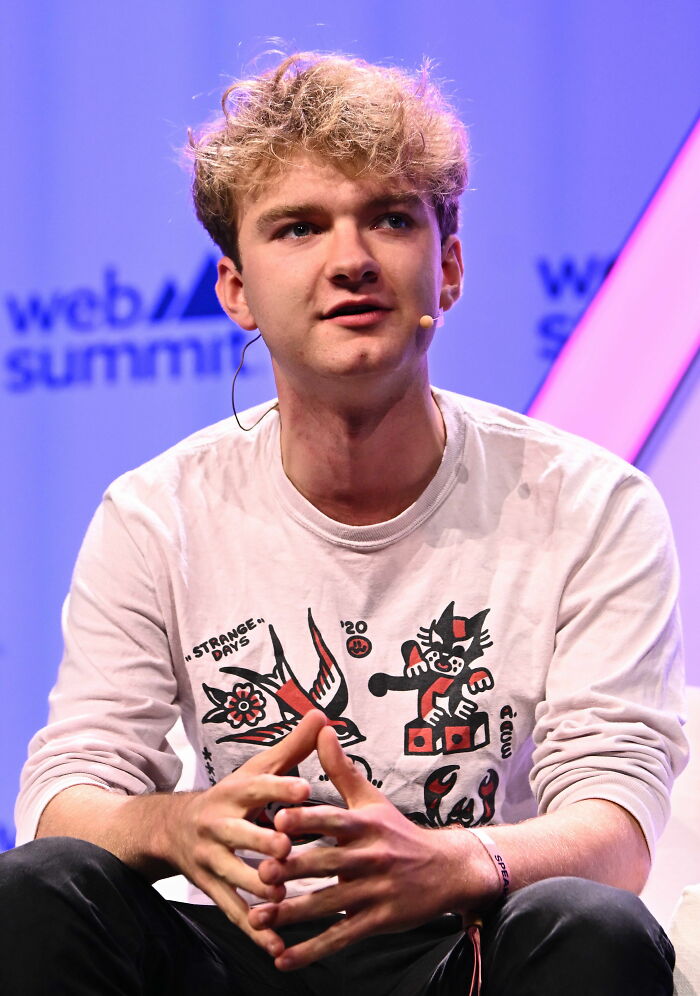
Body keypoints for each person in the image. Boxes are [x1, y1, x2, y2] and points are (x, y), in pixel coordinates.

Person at [2, 52, 687, 995]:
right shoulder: (156, 514)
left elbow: (616, 827)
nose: (351, 259)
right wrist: (174, 826)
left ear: (445, 266)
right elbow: (62, 797)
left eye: (391, 218)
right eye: (298, 227)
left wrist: (456, 864)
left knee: (589, 923)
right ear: (236, 289)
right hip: (239, 953)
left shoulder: (591, 505)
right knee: (39, 890)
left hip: (465, 950)